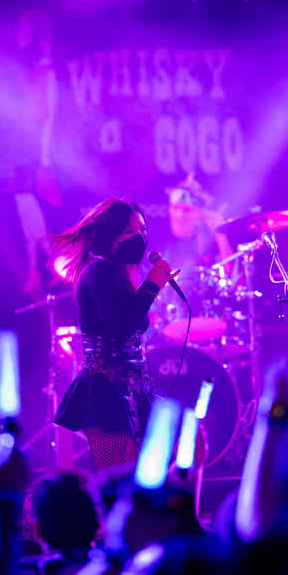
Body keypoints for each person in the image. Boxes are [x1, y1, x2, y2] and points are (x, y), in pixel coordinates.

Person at [53, 198, 178, 469]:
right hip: (106, 390)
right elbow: (121, 327)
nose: (140, 237)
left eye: (142, 230)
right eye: (130, 231)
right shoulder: (99, 270)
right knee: (117, 476)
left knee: (143, 476)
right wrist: (152, 285)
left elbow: (134, 322)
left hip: (133, 386)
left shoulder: (120, 274)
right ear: (110, 237)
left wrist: (145, 287)